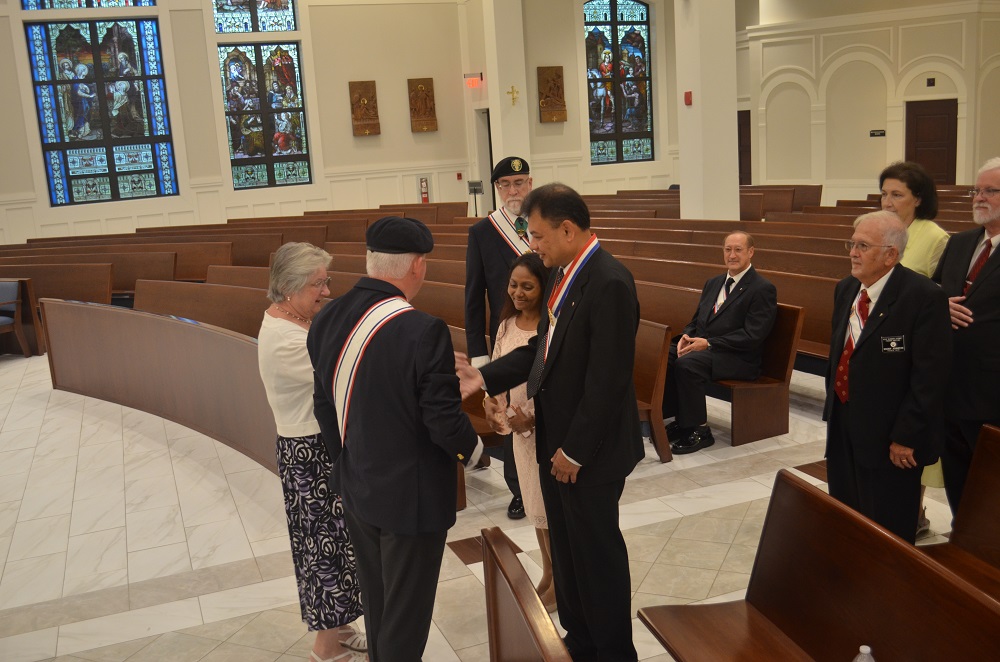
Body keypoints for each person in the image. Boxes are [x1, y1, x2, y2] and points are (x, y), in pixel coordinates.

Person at [457, 183, 643, 661]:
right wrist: (484, 375)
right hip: (556, 443)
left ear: (568, 230)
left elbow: (607, 381)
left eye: (537, 235)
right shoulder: (563, 275)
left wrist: (575, 451)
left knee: (596, 557)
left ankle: (613, 653)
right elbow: (541, 352)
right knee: (569, 554)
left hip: (588, 453)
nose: (531, 245)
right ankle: (580, 643)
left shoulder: (609, 282)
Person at [308, 217, 483, 662]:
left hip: (358, 486)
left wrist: (347, 461)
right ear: (418, 265)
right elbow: (442, 420)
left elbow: (324, 404)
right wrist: (476, 451)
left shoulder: (326, 317)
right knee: (406, 619)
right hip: (412, 499)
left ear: (371, 260)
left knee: (380, 604)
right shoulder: (423, 329)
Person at [256, 243, 366, 662]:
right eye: (318, 283)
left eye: (326, 280)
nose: (327, 291)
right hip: (308, 453)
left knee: (336, 543)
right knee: (323, 550)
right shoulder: (284, 339)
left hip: (314, 446)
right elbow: (342, 376)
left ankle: (341, 628)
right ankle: (326, 647)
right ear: (289, 286)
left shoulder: (295, 320)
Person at [823, 211, 951, 544]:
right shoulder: (846, 289)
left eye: (863, 246)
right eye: (852, 244)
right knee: (847, 514)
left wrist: (906, 435)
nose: (853, 252)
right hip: (844, 420)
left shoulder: (923, 297)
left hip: (891, 437)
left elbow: (929, 377)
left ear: (890, 255)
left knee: (888, 526)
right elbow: (840, 354)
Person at [482, 252, 557, 612]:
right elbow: (498, 369)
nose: (518, 293)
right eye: (513, 285)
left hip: (544, 430)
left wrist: (533, 418)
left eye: (528, 286)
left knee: (550, 510)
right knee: (534, 506)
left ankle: (561, 581)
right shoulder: (507, 325)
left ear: (545, 288)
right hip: (517, 431)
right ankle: (549, 572)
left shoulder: (551, 327)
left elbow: (558, 384)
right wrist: (491, 403)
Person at [878, 160, 949, 536]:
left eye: (897, 194)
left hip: (912, 345)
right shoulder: (881, 230)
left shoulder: (935, 237)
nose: (888, 202)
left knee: (911, 427)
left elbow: (940, 295)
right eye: (884, 194)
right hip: (880, 341)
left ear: (918, 199)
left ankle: (914, 510)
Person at [661, 231, 777, 454]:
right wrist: (686, 336)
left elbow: (753, 335)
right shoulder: (713, 283)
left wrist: (709, 343)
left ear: (751, 252)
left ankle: (701, 430)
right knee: (668, 355)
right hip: (709, 350)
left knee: (688, 364)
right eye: (727, 249)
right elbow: (697, 319)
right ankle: (683, 420)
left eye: (738, 250)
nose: (732, 255)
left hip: (739, 358)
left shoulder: (762, 288)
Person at [465, 156, 533, 520]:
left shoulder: (543, 223)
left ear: (530, 184)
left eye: (519, 183)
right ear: (496, 189)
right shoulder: (483, 232)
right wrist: (480, 354)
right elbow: (473, 298)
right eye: (505, 184)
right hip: (507, 333)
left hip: (545, 329)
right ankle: (518, 488)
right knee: (509, 407)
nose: (512, 190)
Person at [933, 157, 1000, 515]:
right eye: (977, 190)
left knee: (992, 485)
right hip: (949, 384)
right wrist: (938, 306)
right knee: (957, 475)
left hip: (992, 393)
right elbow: (932, 291)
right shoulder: (959, 243)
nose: (979, 198)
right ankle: (961, 537)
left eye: (991, 191)